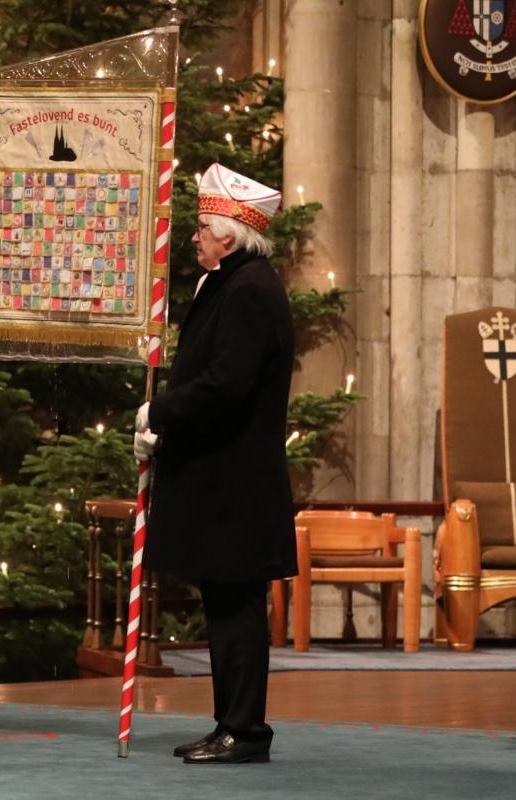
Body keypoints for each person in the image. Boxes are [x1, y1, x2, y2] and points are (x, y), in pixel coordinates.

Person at [136, 164, 296, 764]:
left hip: (236, 484)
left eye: (203, 227)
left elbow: (226, 384)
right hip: (220, 480)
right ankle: (230, 723)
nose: (194, 237)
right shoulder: (231, 282)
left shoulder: (250, 289)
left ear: (229, 235)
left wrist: (160, 412)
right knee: (224, 608)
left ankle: (246, 730)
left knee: (237, 611)